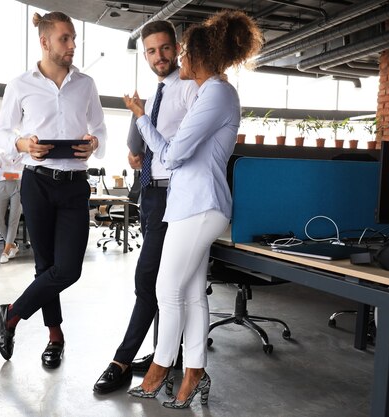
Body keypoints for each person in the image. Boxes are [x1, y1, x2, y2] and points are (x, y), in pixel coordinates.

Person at [122, 10, 263, 409]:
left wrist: (140, 118)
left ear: (201, 58)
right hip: (193, 203)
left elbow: (174, 154)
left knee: (166, 288)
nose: (179, 60)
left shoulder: (216, 92)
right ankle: (195, 371)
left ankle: (160, 369)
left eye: (184, 55)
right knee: (190, 293)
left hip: (199, 205)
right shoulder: (208, 93)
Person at [0, 11, 107, 369]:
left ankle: (11, 314)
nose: (73, 45)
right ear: (45, 42)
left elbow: (100, 129)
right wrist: (24, 145)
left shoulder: (85, 84)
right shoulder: (20, 84)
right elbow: (3, 133)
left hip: (74, 185)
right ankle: (55, 337)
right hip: (37, 182)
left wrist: (93, 144)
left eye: (73, 38)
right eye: (65, 39)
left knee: (68, 269)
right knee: (45, 267)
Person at [93, 20, 199, 394]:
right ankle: (162, 356)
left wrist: (154, 152)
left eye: (165, 48)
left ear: (177, 48)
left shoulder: (190, 90)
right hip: (152, 193)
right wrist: (136, 156)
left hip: (180, 194)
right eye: (152, 51)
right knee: (161, 282)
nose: (159, 57)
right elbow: (143, 142)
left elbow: (184, 147)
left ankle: (122, 359)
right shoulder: (152, 98)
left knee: (151, 280)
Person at [0, 150, 24, 264]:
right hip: (3, 187)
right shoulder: (1, 156)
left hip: (18, 187)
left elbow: (24, 174)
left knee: (13, 220)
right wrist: (12, 174)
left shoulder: (24, 156)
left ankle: (5, 251)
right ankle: (13, 245)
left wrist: (5, 173)